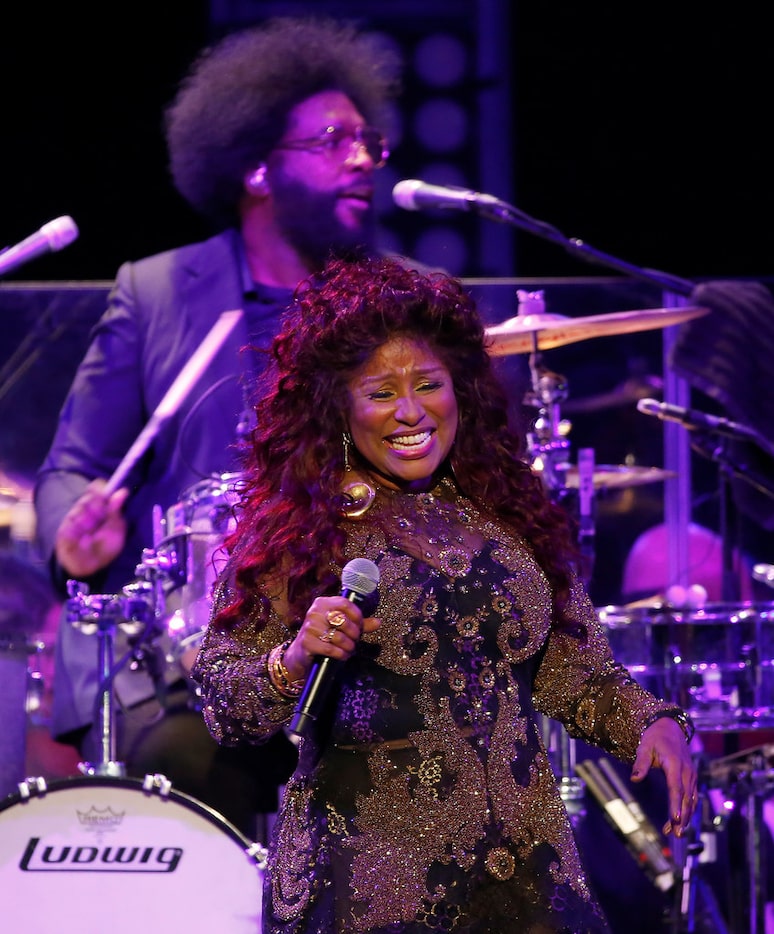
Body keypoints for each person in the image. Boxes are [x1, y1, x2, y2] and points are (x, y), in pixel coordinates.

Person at [191, 253, 698, 933]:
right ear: (338, 407)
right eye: (380, 392)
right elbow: (226, 700)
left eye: (427, 383)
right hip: (373, 886)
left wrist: (648, 720)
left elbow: (575, 674)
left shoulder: (511, 509)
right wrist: (294, 657)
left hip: (525, 875)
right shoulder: (298, 527)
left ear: (460, 387)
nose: (410, 411)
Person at [33, 15, 403, 838]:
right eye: (333, 141)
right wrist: (72, 538)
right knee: (187, 763)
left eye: (368, 142)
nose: (361, 161)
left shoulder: (400, 300)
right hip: (188, 667)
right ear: (259, 166)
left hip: (364, 655)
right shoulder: (158, 292)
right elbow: (68, 470)